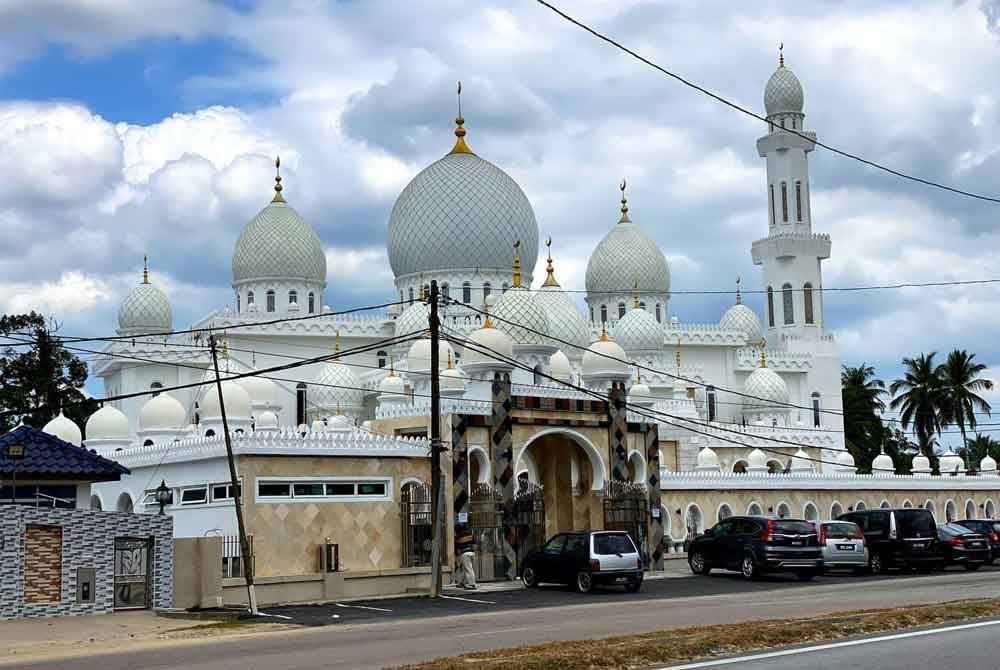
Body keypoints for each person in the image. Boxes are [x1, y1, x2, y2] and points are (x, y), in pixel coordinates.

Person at [454, 524, 477, 590]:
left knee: (468, 569)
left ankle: (472, 584)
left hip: (465, 554)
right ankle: (461, 582)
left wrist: (457, 557)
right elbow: (474, 544)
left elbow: (457, 549)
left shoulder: (458, 536)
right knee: (465, 568)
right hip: (472, 552)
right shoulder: (470, 534)